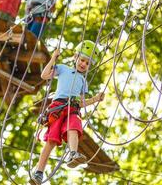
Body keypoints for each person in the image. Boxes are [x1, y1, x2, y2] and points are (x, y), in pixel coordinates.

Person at [29, 40, 105, 185]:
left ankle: (72, 154)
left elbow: (82, 102)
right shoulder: (63, 68)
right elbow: (44, 75)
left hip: (73, 108)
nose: (83, 64)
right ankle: (39, 172)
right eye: (82, 60)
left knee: (74, 127)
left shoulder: (83, 81)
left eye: (87, 63)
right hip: (58, 107)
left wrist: (95, 99)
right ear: (75, 57)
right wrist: (53, 58)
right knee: (51, 140)